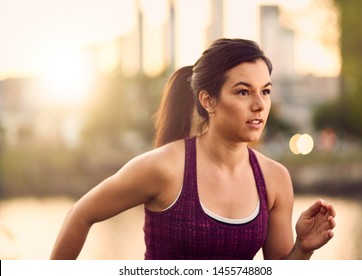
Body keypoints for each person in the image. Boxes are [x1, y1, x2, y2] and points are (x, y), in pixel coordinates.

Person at [50, 38, 336, 260]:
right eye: (243, 92)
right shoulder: (164, 168)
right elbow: (81, 214)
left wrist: (302, 248)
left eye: (266, 91)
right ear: (208, 101)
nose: (259, 104)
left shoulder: (275, 178)